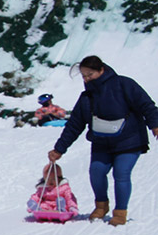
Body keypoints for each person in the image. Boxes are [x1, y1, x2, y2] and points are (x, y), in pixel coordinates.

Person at [48, 55, 158, 225]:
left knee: (121, 174)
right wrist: (59, 149)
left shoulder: (124, 85)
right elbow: (74, 125)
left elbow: (147, 106)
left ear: (101, 70)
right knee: (96, 172)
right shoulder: (87, 97)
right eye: (83, 76)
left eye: (89, 74)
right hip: (101, 142)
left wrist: (155, 125)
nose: (86, 79)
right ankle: (101, 206)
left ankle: (120, 212)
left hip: (129, 140)